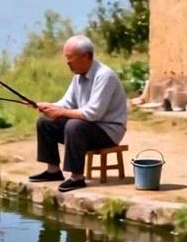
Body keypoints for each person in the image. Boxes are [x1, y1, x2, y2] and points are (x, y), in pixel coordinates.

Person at [30, 35, 128, 193]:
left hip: (108, 131)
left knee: (74, 125)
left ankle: (77, 177)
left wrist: (62, 112)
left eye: (70, 58)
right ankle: (53, 171)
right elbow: (67, 103)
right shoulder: (78, 76)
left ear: (84, 56)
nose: (67, 62)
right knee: (46, 122)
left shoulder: (105, 76)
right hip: (88, 127)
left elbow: (93, 114)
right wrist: (45, 106)